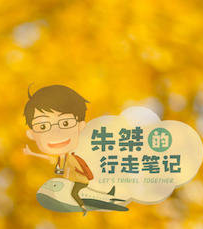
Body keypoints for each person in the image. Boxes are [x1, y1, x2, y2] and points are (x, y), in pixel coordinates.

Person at [24, 85, 127, 213]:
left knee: (74, 194)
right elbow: (52, 161)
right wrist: (31, 153)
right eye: (43, 126)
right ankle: (106, 197)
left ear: (81, 126)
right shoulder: (63, 157)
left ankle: (84, 207)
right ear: (31, 134)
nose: (56, 132)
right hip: (75, 181)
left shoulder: (74, 156)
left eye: (65, 123)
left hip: (80, 181)